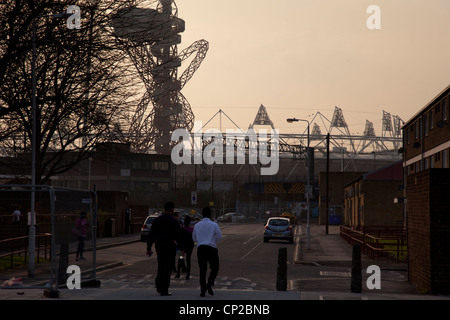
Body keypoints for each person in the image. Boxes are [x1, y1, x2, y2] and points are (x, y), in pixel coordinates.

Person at [146, 201, 180, 296]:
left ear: (164, 209)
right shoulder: (174, 221)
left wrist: (149, 248)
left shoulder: (157, 220)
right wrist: (179, 249)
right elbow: (178, 236)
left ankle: (159, 283)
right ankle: (164, 289)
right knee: (168, 267)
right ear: (172, 210)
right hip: (170, 246)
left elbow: (151, 234)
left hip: (159, 246)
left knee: (161, 265)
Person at [192, 207, 222, 297]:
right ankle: (209, 283)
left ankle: (202, 291)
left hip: (201, 248)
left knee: (202, 270)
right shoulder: (214, 225)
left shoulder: (197, 225)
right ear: (210, 215)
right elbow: (219, 237)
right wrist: (212, 239)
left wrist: (200, 241)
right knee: (215, 268)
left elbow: (194, 238)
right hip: (211, 248)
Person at [176, 215, 194, 280]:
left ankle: (178, 273)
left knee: (180, 259)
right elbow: (193, 239)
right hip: (189, 247)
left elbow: (178, 239)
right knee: (188, 260)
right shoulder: (191, 230)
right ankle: (188, 275)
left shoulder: (181, 230)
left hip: (180, 248)